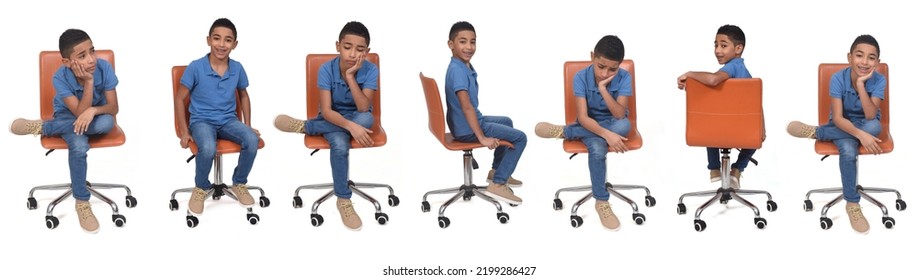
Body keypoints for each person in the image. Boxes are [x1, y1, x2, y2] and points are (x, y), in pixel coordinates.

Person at [10, 29, 118, 234]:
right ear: (67, 62)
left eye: (92, 51)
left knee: (106, 123)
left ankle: (45, 127)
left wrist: (94, 109)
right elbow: (78, 113)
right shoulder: (60, 77)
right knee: (78, 145)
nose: (91, 59)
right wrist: (88, 82)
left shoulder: (104, 67)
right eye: (82, 56)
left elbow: (113, 108)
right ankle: (82, 202)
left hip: (97, 118)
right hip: (68, 117)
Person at [273, 21, 378, 231]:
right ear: (338, 46)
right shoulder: (326, 69)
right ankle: (343, 200)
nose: (352, 54)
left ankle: (307, 126)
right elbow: (328, 111)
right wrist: (351, 127)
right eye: (347, 47)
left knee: (367, 120)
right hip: (331, 117)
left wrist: (350, 77)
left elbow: (364, 107)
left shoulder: (371, 69)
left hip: (357, 116)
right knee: (340, 146)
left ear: (366, 52)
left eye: (359, 49)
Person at [786, 34, 886, 234]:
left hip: (866, 124)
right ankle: (852, 204)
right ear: (849, 57)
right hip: (841, 123)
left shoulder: (879, 80)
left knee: (875, 127)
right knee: (849, 152)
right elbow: (839, 118)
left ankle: (818, 132)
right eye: (859, 55)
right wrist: (861, 135)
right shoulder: (838, 78)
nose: (864, 62)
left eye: (871, 58)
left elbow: (870, 114)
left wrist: (860, 85)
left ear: (877, 62)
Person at [534, 35, 632, 231]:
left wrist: (603, 89)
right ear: (592, 57)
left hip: (612, 123)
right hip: (588, 123)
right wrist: (607, 135)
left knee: (623, 126)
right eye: (601, 66)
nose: (605, 73)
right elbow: (584, 117)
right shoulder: (580, 77)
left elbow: (620, 114)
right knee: (597, 149)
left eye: (612, 69)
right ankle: (602, 202)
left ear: (619, 65)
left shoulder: (624, 77)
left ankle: (566, 131)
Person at [174, 18, 260, 217]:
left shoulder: (237, 68)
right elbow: (180, 99)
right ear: (208, 40)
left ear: (235, 44)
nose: (222, 44)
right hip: (201, 120)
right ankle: (201, 187)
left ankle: (239, 182)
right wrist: (184, 132)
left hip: (228, 120)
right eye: (217, 38)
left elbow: (244, 96)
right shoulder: (196, 67)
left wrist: (248, 125)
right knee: (208, 147)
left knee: (252, 139)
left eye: (228, 40)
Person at [443, 21, 527, 205]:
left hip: (463, 124)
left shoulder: (462, 65)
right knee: (520, 138)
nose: (469, 47)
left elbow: (468, 108)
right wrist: (481, 137)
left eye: (473, 42)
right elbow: (466, 107)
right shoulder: (458, 71)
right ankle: (498, 184)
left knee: (506, 121)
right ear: (451, 45)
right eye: (463, 42)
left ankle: (497, 171)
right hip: (468, 129)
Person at [676, 24, 755, 189]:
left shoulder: (733, 67)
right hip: (744, 130)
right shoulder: (745, 73)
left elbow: (713, 80)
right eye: (716, 45)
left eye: (724, 46)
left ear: (738, 48)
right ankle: (737, 170)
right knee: (753, 140)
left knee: (710, 123)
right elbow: (755, 106)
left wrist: (690, 74)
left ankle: (714, 168)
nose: (718, 50)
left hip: (721, 129)